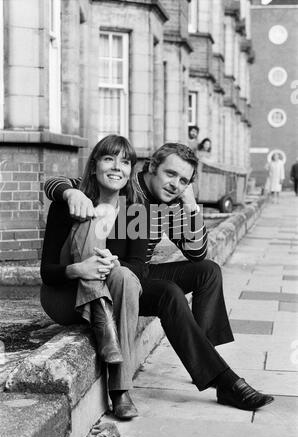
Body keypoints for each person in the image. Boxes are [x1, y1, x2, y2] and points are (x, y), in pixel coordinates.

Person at [44, 142, 274, 413]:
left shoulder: (171, 204)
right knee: (167, 292)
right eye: (171, 174)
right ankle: (212, 370)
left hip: (133, 270)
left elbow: (197, 253)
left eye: (183, 180)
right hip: (109, 275)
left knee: (208, 272)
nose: (176, 184)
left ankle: (203, 358)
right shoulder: (120, 187)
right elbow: (56, 183)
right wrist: (70, 192)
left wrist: (191, 207)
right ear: (151, 167)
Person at [41, 135, 146, 419]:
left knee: (124, 275)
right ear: (94, 166)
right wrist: (79, 269)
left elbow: (139, 268)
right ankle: (100, 310)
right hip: (64, 299)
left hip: (112, 296)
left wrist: (113, 264)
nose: (117, 167)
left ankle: (120, 391)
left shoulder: (135, 212)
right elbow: (47, 273)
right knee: (94, 216)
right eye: (109, 158)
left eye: (125, 162)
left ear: (130, 172)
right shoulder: (69, 202)